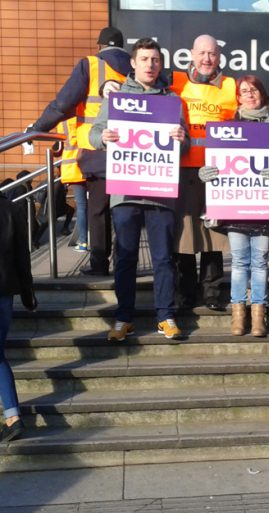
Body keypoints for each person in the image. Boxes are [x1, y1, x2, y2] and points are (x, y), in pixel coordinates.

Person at [89, 37, 189, 341]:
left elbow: (182, 151)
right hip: (125, 191)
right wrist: (103, 137)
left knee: (162, 259)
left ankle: (165, 316)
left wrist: (180, 138)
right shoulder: (116, 99)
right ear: (133, 63)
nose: (150, 64)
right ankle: (123, 318)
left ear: (161, 64)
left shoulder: (172, 101)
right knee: (126, 257)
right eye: (144, 59)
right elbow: (94, 134)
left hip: (160, 193)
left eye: (155, 60)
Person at [29, 26, 132, 276]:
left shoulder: (91, 65)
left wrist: (37, 127)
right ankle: (125, 264)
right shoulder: (136, 67)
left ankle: (99, 264)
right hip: (132, 152)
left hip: (97, 150)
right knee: (125, 212)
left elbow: (63, 103)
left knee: (98, 210)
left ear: (100, 47)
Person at [198, 75, 269, 338]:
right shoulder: (227, 126)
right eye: (244, 91)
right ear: (238, 97)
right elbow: (216, 164)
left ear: (262, 93)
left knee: (260, 263)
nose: (250, 94)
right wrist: (206, 173)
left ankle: (258, 315)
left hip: (264, 207)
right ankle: (238, 315)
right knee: (241, 262)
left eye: (254, 90)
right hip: (236, 207)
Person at [169, 34, 236, 311]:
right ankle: (185, 292)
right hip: (182, 169)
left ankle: (211, 291)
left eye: (212, 54)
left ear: (219, 57)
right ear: (192, 54)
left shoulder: (230, 85)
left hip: (218, 171)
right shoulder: (174, 82)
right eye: (202, 53)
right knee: (184, 235)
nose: (207, 59)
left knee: (214, 234)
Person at [0, 189, 37, 442]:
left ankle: (13, 416)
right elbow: (23, 257)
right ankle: (12, 416)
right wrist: (27, 292)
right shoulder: (11, 208)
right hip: (5, 291)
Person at [56, 118, 89, 251]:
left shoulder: (62, 121)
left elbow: (57, 148)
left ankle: (83, 242)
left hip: (74, 167)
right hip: (92, 162)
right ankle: (103, 242)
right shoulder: (87, 115)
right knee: (98, 206)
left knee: (81, 206)